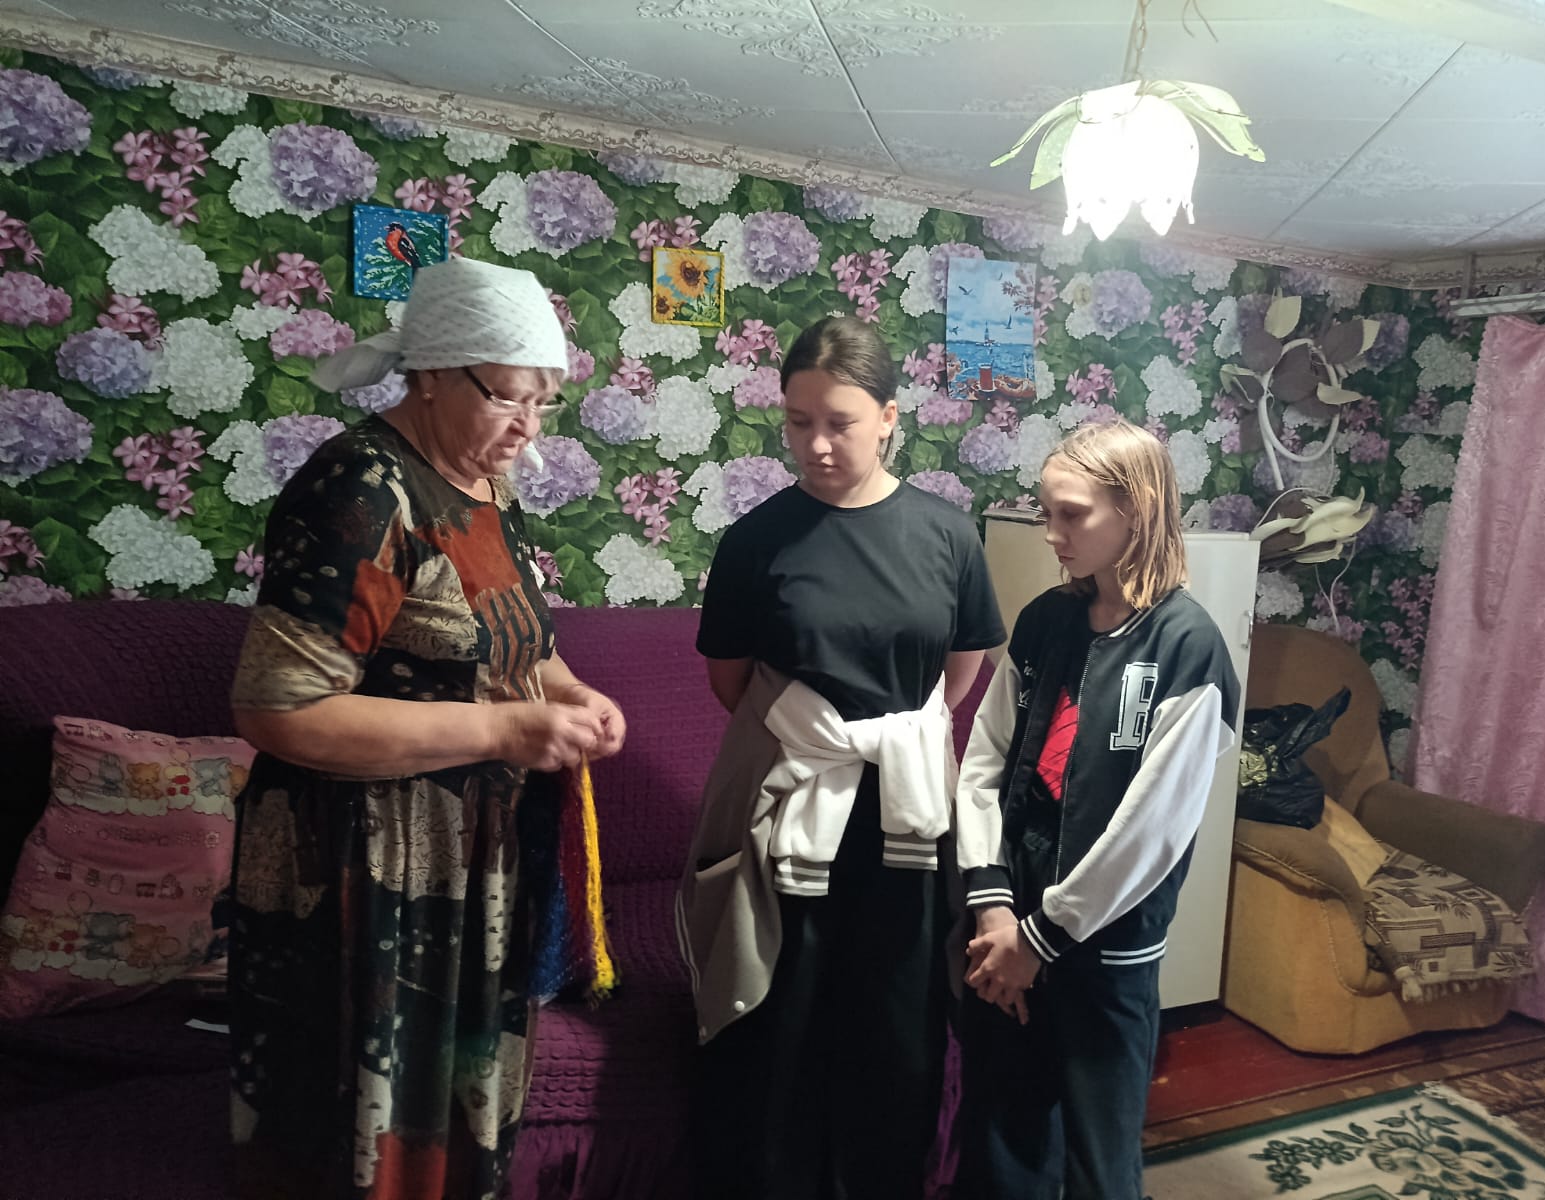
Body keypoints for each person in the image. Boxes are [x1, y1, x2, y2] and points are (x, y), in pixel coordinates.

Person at [226, 257, 626, 1200]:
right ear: (434, 374)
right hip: (361, 862)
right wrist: (502, 734)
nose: (528, 430)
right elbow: (278, 708)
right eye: (509, 398)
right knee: (360, 1136)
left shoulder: (484, 487)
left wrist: (570, 692)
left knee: (452, 1121)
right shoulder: (358, 491)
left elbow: (509, 644)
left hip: (469, 858)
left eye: (544, 403)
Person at [678, 315, 1008, 1200]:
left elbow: (958, 676)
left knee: (897, 1028)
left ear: (889, 418)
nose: (816, 444)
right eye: (798, 422)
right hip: (793, 809)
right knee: (781, 1021)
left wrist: (882, 741)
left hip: (906, 820)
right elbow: (734, 686)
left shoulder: (947, 535)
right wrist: (826, 740)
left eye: (840, 423)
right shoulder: (755, 541)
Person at [953, 420, 1239, 1200]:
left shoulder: (1185, 646)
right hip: (1007, 921)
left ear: (1134, 510)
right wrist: (992, 906)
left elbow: (1150, 831)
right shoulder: (1044, 621)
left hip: (1103, 948)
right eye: (1045, 512)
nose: (1052, 533)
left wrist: (1041, 939)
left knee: (1098, 1156)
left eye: (1071, 515)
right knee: (1001, 1133)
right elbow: (984, 761)